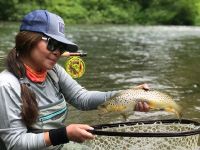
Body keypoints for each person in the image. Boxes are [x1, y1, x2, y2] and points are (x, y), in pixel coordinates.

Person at [0, 10, 149, 150]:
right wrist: (64, 134)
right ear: (28, 40)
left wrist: (125, 96)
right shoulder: (6, 85)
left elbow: (82, 98)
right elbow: (15, 143)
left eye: (61, 47)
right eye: (52, 44)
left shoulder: (54, 72)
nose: (57, 52)